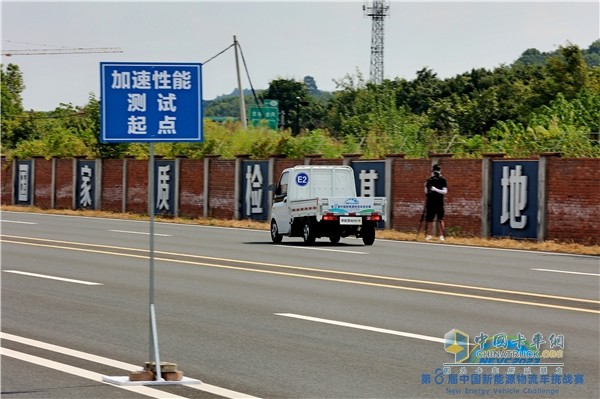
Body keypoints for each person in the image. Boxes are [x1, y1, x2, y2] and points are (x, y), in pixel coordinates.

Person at [424, 164, 448, 241]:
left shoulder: (443, 180)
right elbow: (426, 191)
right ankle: (429, 234)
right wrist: (426, 186)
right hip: (431, 201)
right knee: (429, 218)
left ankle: (441, 235)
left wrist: (435, 189)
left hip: (439, 201)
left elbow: (445, 191)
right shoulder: (430, 180)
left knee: (440, 219)